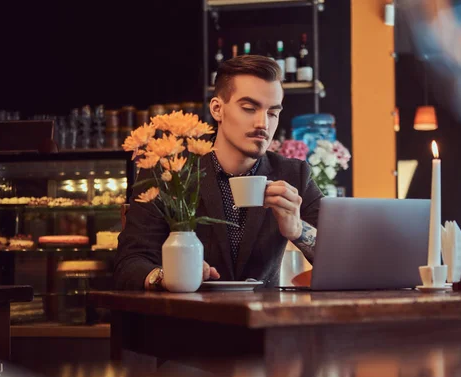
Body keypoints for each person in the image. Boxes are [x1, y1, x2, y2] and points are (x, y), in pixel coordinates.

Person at [114, 55, 323, 290]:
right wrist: (168, 275)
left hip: (264, 320)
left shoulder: (294, 174)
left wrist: (298, 230)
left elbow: (343, 257)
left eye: (272, 113)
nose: (263, 123)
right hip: (189, 319)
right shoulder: (169, 171)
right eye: (249, 108)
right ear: (217, 109)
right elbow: (128, 263)